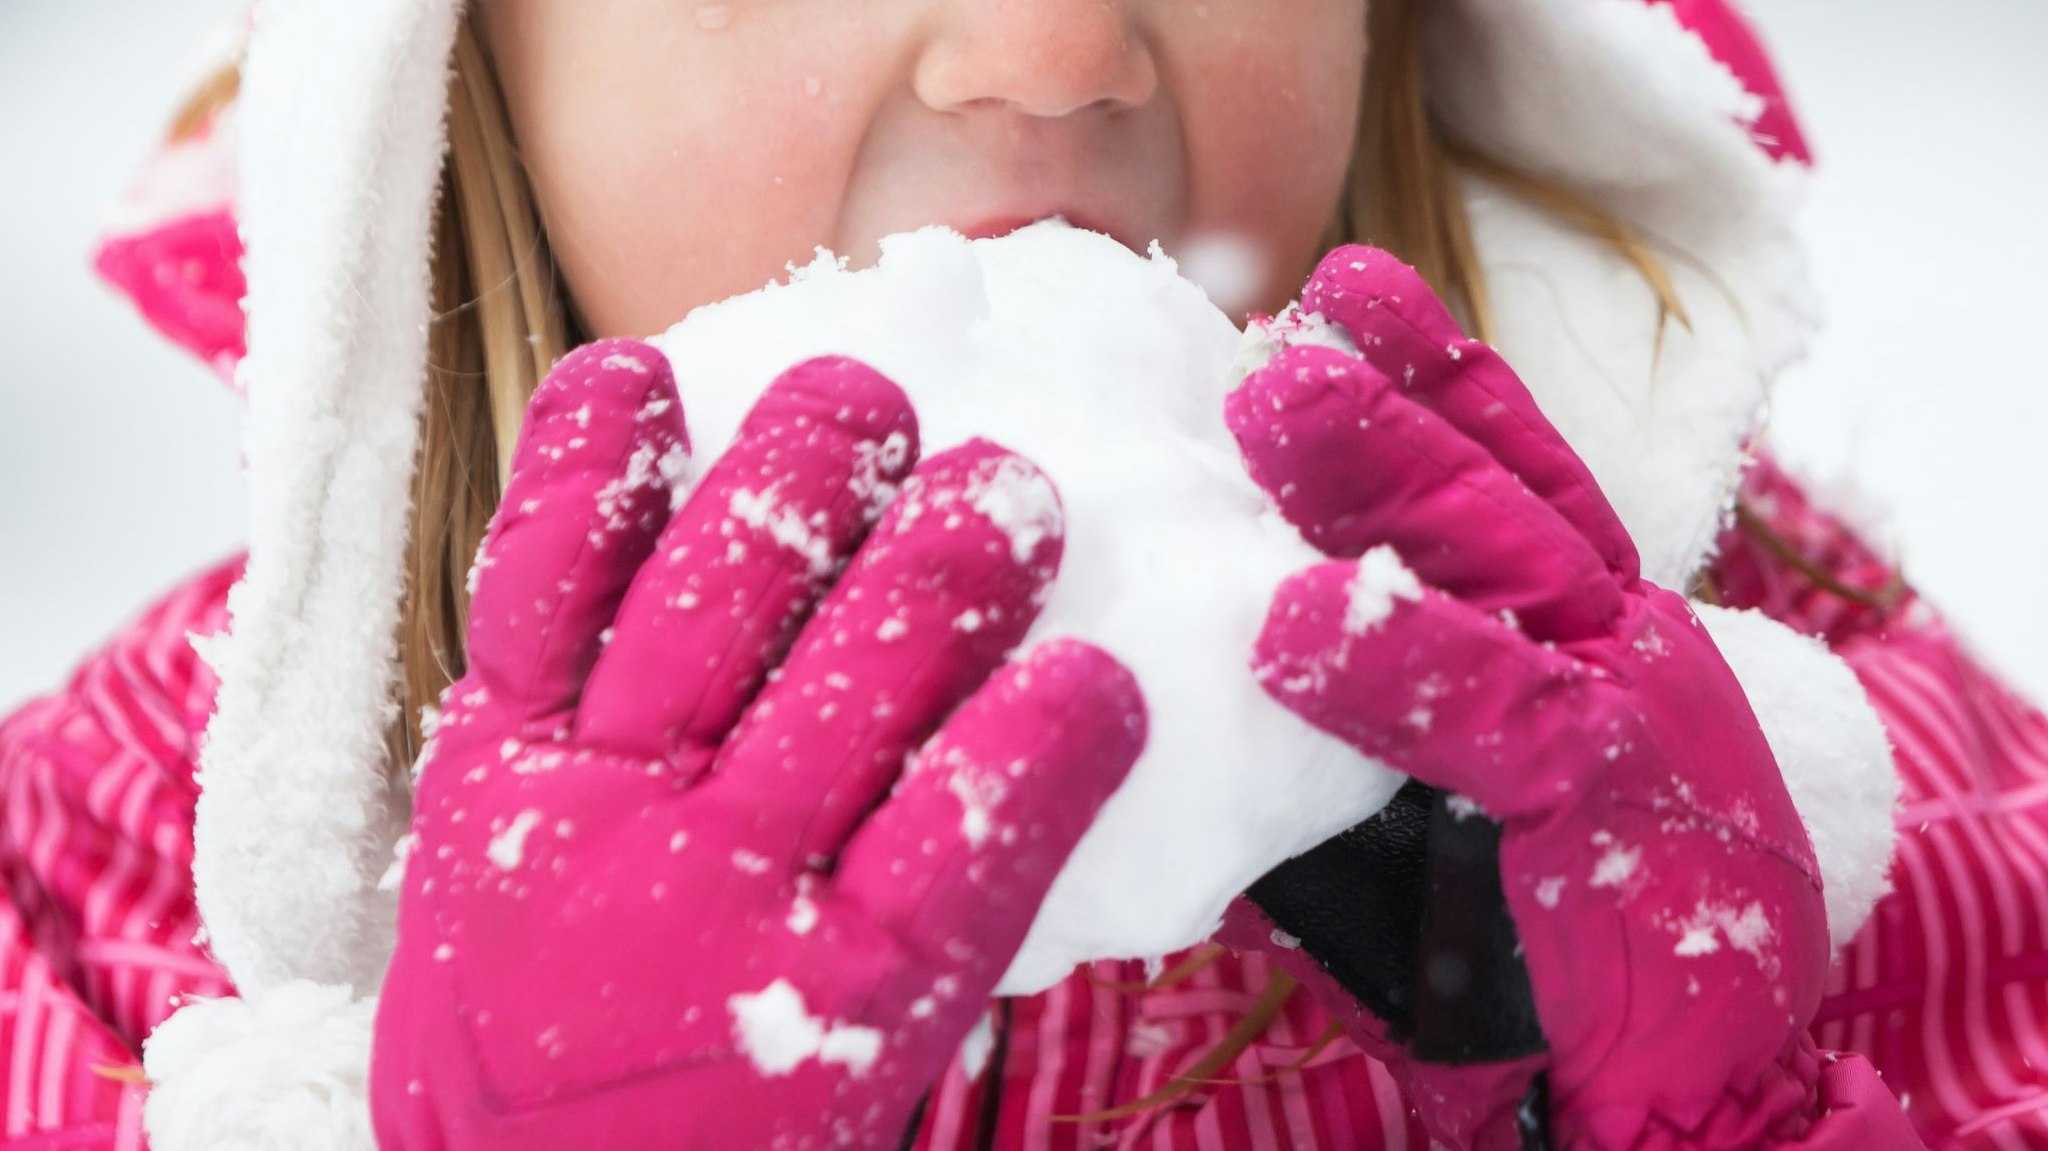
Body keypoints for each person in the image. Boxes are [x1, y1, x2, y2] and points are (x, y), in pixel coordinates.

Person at [2, 0, 2035, 1146]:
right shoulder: (118, 878)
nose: (1052, 51)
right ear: (453, 80)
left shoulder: (1760, 712)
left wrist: (1744, 1112)